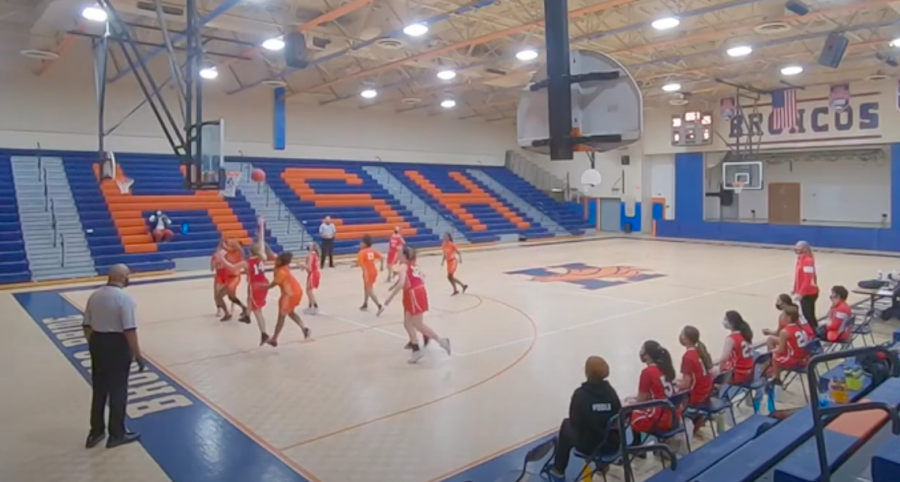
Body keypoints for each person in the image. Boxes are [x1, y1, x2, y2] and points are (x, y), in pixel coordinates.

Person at [82, 264, 144, 449]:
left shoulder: (95, 296)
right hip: (117, 345)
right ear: (123, 278)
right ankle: (117, 433)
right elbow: (129, 330)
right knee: (118, 389)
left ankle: (96, 432)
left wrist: (95, 344)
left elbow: (86, 325)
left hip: (97, 342)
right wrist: (137, 355)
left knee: (99, 389)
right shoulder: (124, 299)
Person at [547, 356, 622, 482]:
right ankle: (602, 465)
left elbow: (575, 421)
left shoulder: (580, 395)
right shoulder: (611, 392)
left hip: (590, 445)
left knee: (566, 425)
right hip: (611, 444)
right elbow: (618, 415)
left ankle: (559, 468)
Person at [379, 245, 451, 363]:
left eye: (400, 253)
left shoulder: (403, 266)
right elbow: (422, 278)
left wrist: (390, 298)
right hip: (416, 291)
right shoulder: (413, 265)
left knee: (418, 324)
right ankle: (416, 349)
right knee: (407, 323)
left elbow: (402, 282)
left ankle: (441, 341)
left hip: (413, 293)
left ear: (405, 256)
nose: (397, 255)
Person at [222, 218, 273, 346]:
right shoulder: (263, 257)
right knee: (249, 299)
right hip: (263, 284)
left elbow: (232, 267)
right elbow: (262, 242)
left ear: (250, 251)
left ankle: (264, 333)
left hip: (256, 286)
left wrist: (222, 258)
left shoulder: (247, 263)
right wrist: (261, 226)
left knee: (258, 311)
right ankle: (247, 316)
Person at [628, 341, 679, 437]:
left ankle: (637, 449)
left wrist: (632, 402)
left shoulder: (647, 372)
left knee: (631, 414)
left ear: (646, 355)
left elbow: (640, 402)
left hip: (661, 419)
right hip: (675, 415)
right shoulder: (666, 368)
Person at [267, 252, 311, 347]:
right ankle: (304, 328)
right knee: (290, 312)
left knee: (281, 317)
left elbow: (273, 284)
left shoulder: (281, 272)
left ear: (281, 262)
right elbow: (270, 252)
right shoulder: (282, 266)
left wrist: (264, 287)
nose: (276, 260)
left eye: (278, 259)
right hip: (296, 290)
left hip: (289, 294)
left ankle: (274, 339)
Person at [677, 326, 714, 434]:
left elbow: (686, 384)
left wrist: (674, 385)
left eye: (682, 335)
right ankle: (698, 419)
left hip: (697, 396)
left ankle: (687, 423)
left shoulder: (688, 356)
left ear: (686, 339)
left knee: (672, 394)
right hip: (706, 392)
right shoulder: (699, 351)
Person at [768, 305, 811, 379]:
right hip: (803, 357)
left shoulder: (784, 331)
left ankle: (776, 379)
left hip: (794, 359)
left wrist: (771, 351)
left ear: (788, 318)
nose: (781, 317)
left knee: (774, 357)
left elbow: (780, 350)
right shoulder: (800, 328)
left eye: (783, 315)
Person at [214, 240, 249, 322]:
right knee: (230, 297)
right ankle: (244, 308)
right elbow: (222, 246)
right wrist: (221, 242)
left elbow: (241, 251)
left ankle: (227, 314)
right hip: (228, 278)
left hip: (234, 278)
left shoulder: (239, 254)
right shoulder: (229, 251)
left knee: (219, 296)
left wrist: (238, 246)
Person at [716, 311, 755, 385]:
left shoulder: (731, 339)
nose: (724, 322)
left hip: (738, 374)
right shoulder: (745, 334)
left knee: (713, 372)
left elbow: (723, 359)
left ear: (731, 323)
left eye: (725, 319)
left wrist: (721, 371)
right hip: (750, 372)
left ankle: (717, 391)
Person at [793, 241, 819, 327]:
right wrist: (795, 288)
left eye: (798, 247)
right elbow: (797, 276)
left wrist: (801, 293)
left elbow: (808, 279)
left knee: (808, 316)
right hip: (804, 291)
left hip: (809, 293)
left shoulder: (808, 260)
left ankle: (814, 332)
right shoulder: (800, 259)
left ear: (804, 249)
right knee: (807, 314)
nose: (796, 248)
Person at [357, 234, 384, 311]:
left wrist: (365, 276)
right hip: (373, 271)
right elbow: (381, 257)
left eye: (361, 242)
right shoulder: (372, 250)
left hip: (367, 273)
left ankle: (379, 305)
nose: (360, 244)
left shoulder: (361, 253)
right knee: (366, 288)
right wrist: (381, 266)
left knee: (369, 289)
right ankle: (365, 303)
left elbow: (363, 267)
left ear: (364, 244)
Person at [304, 242, 321, 315]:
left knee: (308, 290)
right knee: (309, 290)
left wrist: (303, 266)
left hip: (312, 274)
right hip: (316, 273)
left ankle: (314, 306)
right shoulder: (315, 254)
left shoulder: (311, 255)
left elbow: (309, 268)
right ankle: (310, 305)